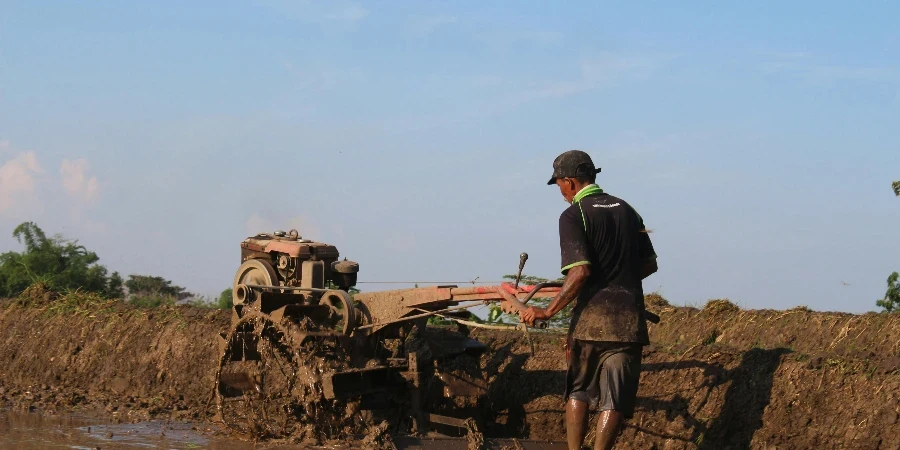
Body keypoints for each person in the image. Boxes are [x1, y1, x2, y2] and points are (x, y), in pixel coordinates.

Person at [521, 150, 658, 450]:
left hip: (590, 323)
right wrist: (620, 282)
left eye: (559, 184)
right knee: (615, 399)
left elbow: (580, 271)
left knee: (579, 392)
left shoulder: (574, 214)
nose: (560, 191)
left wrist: (547, 311)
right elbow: (649, 264)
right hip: (628, 323)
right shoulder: (628, 210)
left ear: (570, 182)